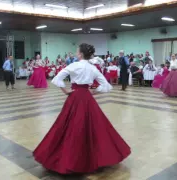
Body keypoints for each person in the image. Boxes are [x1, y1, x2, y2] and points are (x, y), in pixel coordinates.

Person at [33, 43, 130, 174]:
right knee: (93, 126)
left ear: (80, 54)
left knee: (69, 126)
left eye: (77, 51)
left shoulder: (73, 65)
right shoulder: (93, 68)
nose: (76, 52)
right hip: (87, 98)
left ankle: (69, 158)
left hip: (74, 97)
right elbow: (106, 86)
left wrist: (65, 91)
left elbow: (57, 79)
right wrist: (94, 92)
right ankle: (93, 157)